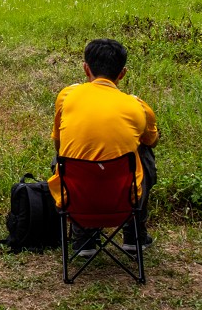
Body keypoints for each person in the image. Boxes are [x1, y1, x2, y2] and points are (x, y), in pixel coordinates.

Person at [49, 38, 159, 256]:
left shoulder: (67, 96)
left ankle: (83, 238)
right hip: (124, 202)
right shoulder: (139, 106)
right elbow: (152, 141)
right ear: (122, 73)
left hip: (75, 200)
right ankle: (134, 235)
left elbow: (58, 144)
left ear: (85, 69)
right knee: (143, 151)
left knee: (64, 155)